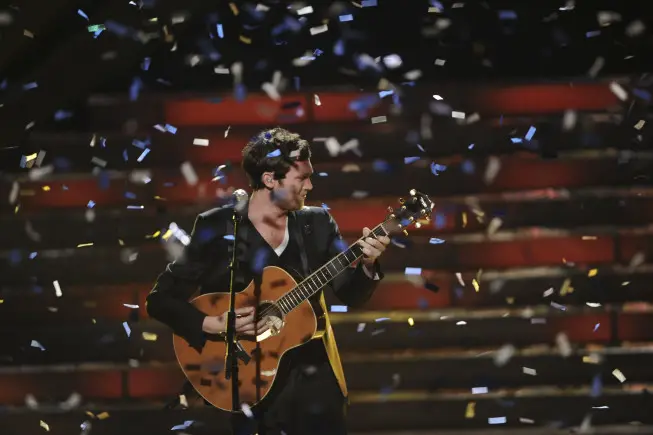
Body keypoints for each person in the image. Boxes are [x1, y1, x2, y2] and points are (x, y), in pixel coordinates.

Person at [146, 127, 390, 435]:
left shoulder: (317, 224)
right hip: (248, 380)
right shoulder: (218, 227)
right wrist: (213, 324)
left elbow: (351, 295)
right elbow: (160, 300)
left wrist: (368, 263)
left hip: (314, 381)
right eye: (301, 178)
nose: (310, 186)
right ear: (269, 179)